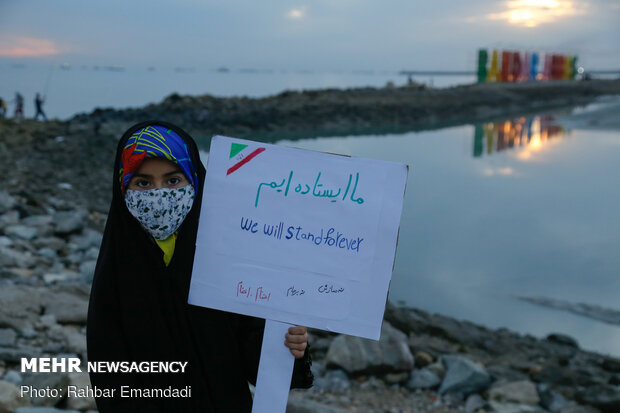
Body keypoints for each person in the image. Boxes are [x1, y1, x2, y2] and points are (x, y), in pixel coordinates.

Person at [87, 121, 313, 412]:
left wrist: (289, 347)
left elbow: (255, 356)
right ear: (123, 188)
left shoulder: (226, 257)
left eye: (173, 181)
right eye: (143, 183)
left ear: (196, 181)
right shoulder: (117, 271)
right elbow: (110, 378)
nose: (160, 195)